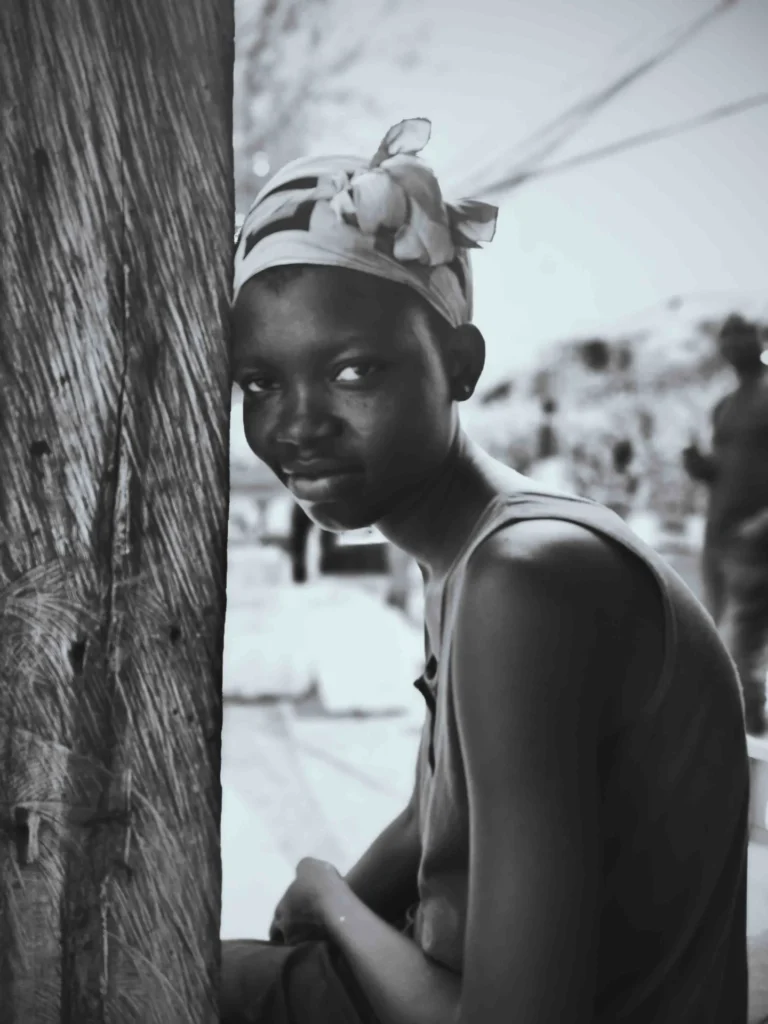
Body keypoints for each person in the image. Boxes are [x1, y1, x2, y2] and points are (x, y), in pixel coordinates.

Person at [224, 118, 749, 1024]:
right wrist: (344, 896)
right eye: (260, 384)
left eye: (352, 371)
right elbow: (446, 810)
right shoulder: (470, 555)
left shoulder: (525, 580)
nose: (296, 424)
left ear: (460, 366)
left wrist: (329, 899)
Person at [682, 313, 768, 734]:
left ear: (759, 338)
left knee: (738, 653)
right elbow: (723, 470)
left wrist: (761, 526)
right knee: (723, 647)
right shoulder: (725, 405)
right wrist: (697, 465)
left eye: (741, 334)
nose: (733, 343)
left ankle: (749, 748)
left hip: (754, 544)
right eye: (726, 337)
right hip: (718, 539)